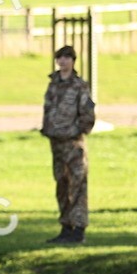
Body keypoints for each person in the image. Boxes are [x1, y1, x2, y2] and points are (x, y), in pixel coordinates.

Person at [42, 46, 96, 244]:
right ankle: (66, 227)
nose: (63, 61)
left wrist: (78, 131)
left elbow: (88, 113)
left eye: (66, 58)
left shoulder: (79, 85)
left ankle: (79, 228)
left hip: (73, 143)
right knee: (62, 185)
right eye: (60, 58)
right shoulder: (53, 84)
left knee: (78, 185)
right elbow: (48, 109)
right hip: (56, 143)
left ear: (73, 60)